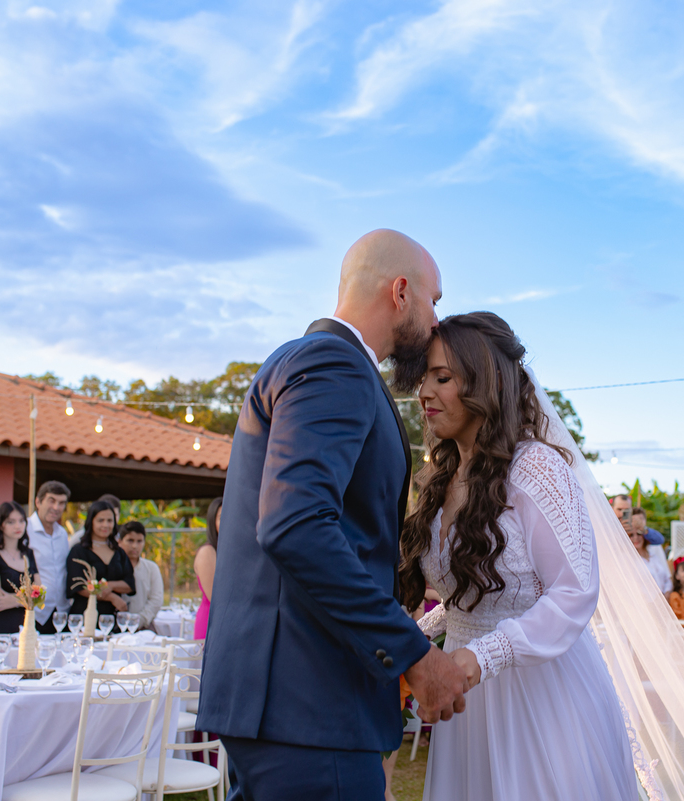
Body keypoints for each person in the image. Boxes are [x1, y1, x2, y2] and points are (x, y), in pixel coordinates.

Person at [197, 229, 469, 801]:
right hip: (310, 704)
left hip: (280, 704)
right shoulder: (335, 365)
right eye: (434, 300)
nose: (437, 320)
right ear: (400, 292)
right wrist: (413, 653)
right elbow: (296, 525)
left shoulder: (305, 361)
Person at [402, 312, 641, 800]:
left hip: (539, 696)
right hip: (465, 698)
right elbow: (472, 598)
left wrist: (475, 659)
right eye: (424, 377)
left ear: (484, 382)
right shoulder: (441, 478)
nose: (424, 392)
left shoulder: (536, 468)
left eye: (442, 377)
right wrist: (412, 643)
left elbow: (574, 592)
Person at [0, 501, 41, 638]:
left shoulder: (28, 553)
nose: (18, 526)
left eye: (21, 521)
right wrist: (26, 598)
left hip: (25, 624)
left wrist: (12, 600)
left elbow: (40, 593)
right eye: (11, 522)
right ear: (1, 525)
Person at [65, 501, 134, 617]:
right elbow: (78, 586)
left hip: (113, 618)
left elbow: (129, 584)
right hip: (84, 617)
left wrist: (110, 585)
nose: (106, 525)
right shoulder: (78, 551)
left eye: (109, 521)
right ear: (91, 521)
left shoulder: (119, 552)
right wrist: (112, 597)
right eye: (100, 520)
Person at [28, 481, 71, 634]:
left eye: (61, 503)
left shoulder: (62, 534)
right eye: (51, 501)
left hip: (61, 611)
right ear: (38, 502)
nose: (56, 507)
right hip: (36, 612)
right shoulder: (25, 530)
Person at [117, 520, 163, 631]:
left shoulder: (151, 568)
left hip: (144, 626)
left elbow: (156, 599)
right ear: (120, 542)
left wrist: (139, 620)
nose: (134, 546)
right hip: (117, 626)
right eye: (130, 540)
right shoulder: (114, 567)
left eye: (139, 541)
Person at [193, 497, 220, 639]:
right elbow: (214, 595)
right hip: (212, 621)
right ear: (212, 522)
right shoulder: (207, 552)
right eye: (222, 517)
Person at [632, 508, 673, 594]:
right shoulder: (628, 555)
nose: (638, 523)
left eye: (640, 520)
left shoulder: (654, 547)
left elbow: (666, 575)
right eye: (634, 520)